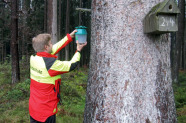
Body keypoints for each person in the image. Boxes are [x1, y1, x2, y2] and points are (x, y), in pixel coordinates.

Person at [29, 30, 87, 123]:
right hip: (46, 112)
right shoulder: (50, 65)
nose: (52, 44)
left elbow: (53, 49)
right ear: (46, 47)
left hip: (34, 109)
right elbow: (72, 65)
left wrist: (69, 37)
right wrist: (78, 50)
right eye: (50, 43)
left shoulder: (33, 58)